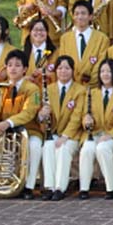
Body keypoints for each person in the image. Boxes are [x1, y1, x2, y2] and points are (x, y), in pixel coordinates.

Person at [0, 50, 41, 199]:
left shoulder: (33, 89)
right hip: (2, 131)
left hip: (28, 130)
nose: (13, 68)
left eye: (17, 65)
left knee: (35, 146)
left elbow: (29, 112)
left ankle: (28, 186)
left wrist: (9, 122)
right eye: (9, 65)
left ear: (25, 69)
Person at [37, 55, 86, 201]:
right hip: (54, 132)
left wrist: (65, 136)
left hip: (71, 135)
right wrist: (42, 115)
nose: (63, 71)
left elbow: (77, 117)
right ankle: (49, 187)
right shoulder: (48, 89)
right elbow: (44, 117)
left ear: (72, 70)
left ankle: (60, 187)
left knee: (62, 149)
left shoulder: (80, 90)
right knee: (48, 146)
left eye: (67, 68)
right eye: (60, 68)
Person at [85, 59, 113, 199]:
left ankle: (112, 187)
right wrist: (86, 120)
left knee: (102, 148)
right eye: (102, 71)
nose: (105, 74)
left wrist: (111, 134)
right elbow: (85, 113)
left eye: (108, 71)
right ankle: (84, 188)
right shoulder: (92, 93)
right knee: (86, 149)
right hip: (95, 132)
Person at [58, 0, 110, 86]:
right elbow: (63, 63)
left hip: (93, 87)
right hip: (71, 87)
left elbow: (101, 64)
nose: (80, 17)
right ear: (73, 16)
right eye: (76, 14)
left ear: (90, 16)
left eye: (83, 13)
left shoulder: (102, 39)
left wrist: (90, 81)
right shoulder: (65, 39)